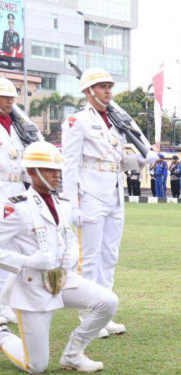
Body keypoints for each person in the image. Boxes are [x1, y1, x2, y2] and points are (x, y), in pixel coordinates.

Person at [0, 142, 119, 373]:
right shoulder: (17, 208)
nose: (56, 175)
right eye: (49, 170)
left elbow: (67, 237)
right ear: (32, 172)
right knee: (36, 366)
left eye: (58, 170)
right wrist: (27, 261)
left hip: (63, 279)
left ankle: (73, 354)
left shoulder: (63, 204)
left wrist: (72, 253)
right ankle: (2, 335)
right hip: (32, 287)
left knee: (107, 302)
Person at [61, 68, 156, 338]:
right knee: (88, 258)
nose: (107, 91)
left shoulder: (116, 123)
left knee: (109, 256)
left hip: (115, 193)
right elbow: (69, 165)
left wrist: (140, 159)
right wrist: (71, 203)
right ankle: (88, 314)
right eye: (102, 87)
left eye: (109, 87)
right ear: (89, 92)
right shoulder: (77, 122)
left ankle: (104, 313)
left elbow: (117, 162)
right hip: (89, 195)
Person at [0, 78, 29, 325]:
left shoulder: (16, 127)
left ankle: (5, 302)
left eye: (12, 97)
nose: (10, 101)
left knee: (15, 248)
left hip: (17, 188)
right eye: (5, 97)